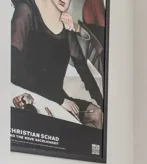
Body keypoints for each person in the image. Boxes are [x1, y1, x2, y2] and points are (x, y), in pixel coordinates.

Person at [10, 0, 104, 128]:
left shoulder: (66, 25)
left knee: (97, 114)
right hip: (34, 97)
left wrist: (103, 103)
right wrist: (59, 100)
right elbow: (15, 71)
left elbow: (83, 69)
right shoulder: (26, 10)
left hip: (60, 98)